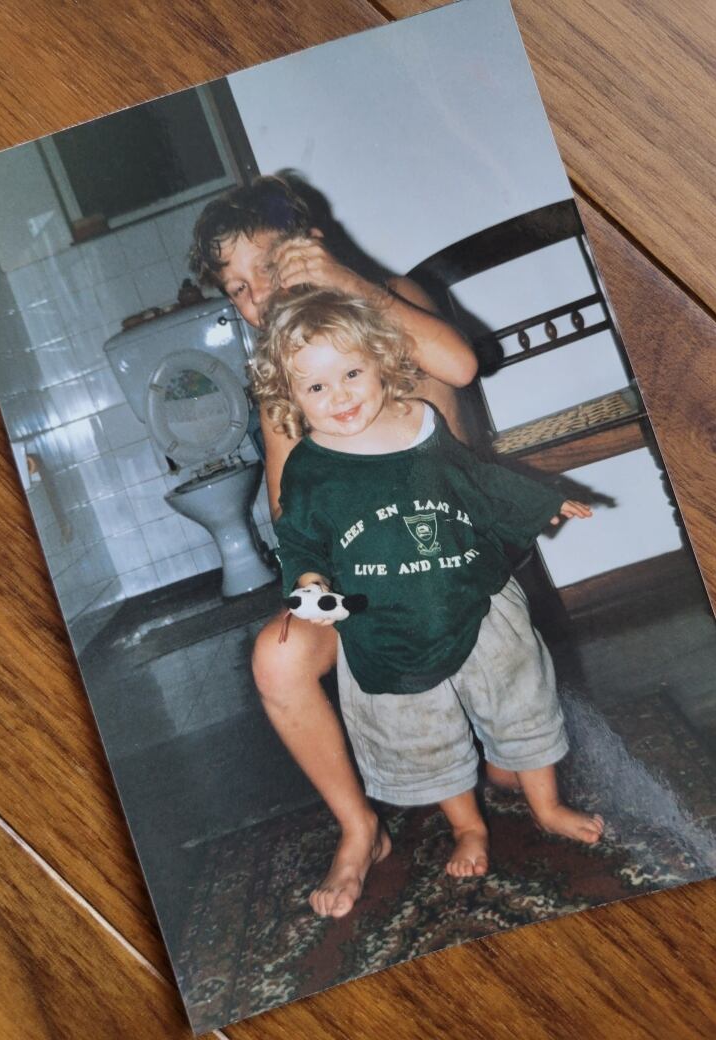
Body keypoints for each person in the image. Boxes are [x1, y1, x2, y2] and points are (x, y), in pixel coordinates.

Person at [191, 175, 491, 918]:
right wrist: (319, 586)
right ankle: (360, 829)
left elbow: (459, 366)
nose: (258, 296)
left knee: (513, 738)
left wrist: (344, 283)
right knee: (278, 653)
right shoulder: (281, 373)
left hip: (457, 557)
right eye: (237, 289)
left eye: (268, 268)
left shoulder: (382, 298)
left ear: (310, 250)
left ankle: (504, 750)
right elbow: (291, 507)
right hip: (367, 578)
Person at [252, 286, 604, 886]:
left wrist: (544, 500)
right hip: (385, 624)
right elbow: (300, 538)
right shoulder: (311, 467)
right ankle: (467, 824)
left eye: (351, 373)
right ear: (290, 398)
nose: (338, 397)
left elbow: (477, 480)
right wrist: (309, 583)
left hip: (479, 598)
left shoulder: (421, 423)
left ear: (382, 360)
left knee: (521, 698)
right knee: (423, 730)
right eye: (315, 388)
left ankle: (546, 806)